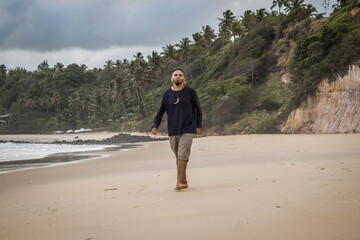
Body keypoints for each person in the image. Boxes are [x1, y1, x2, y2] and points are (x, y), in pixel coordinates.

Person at [152, 67, 202, 191]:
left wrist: (198, 125)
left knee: (183, 155)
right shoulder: (167, 94)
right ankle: (184, 180)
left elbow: (198, 109)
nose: (178, 77)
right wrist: (155, 125)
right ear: (171, 78)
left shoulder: (190, 91)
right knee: (178, 157)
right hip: (173, 130)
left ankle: (179, 183)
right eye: (176, 75)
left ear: (183, 78)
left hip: (188, 129)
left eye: (180, 75)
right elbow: (161, 110)